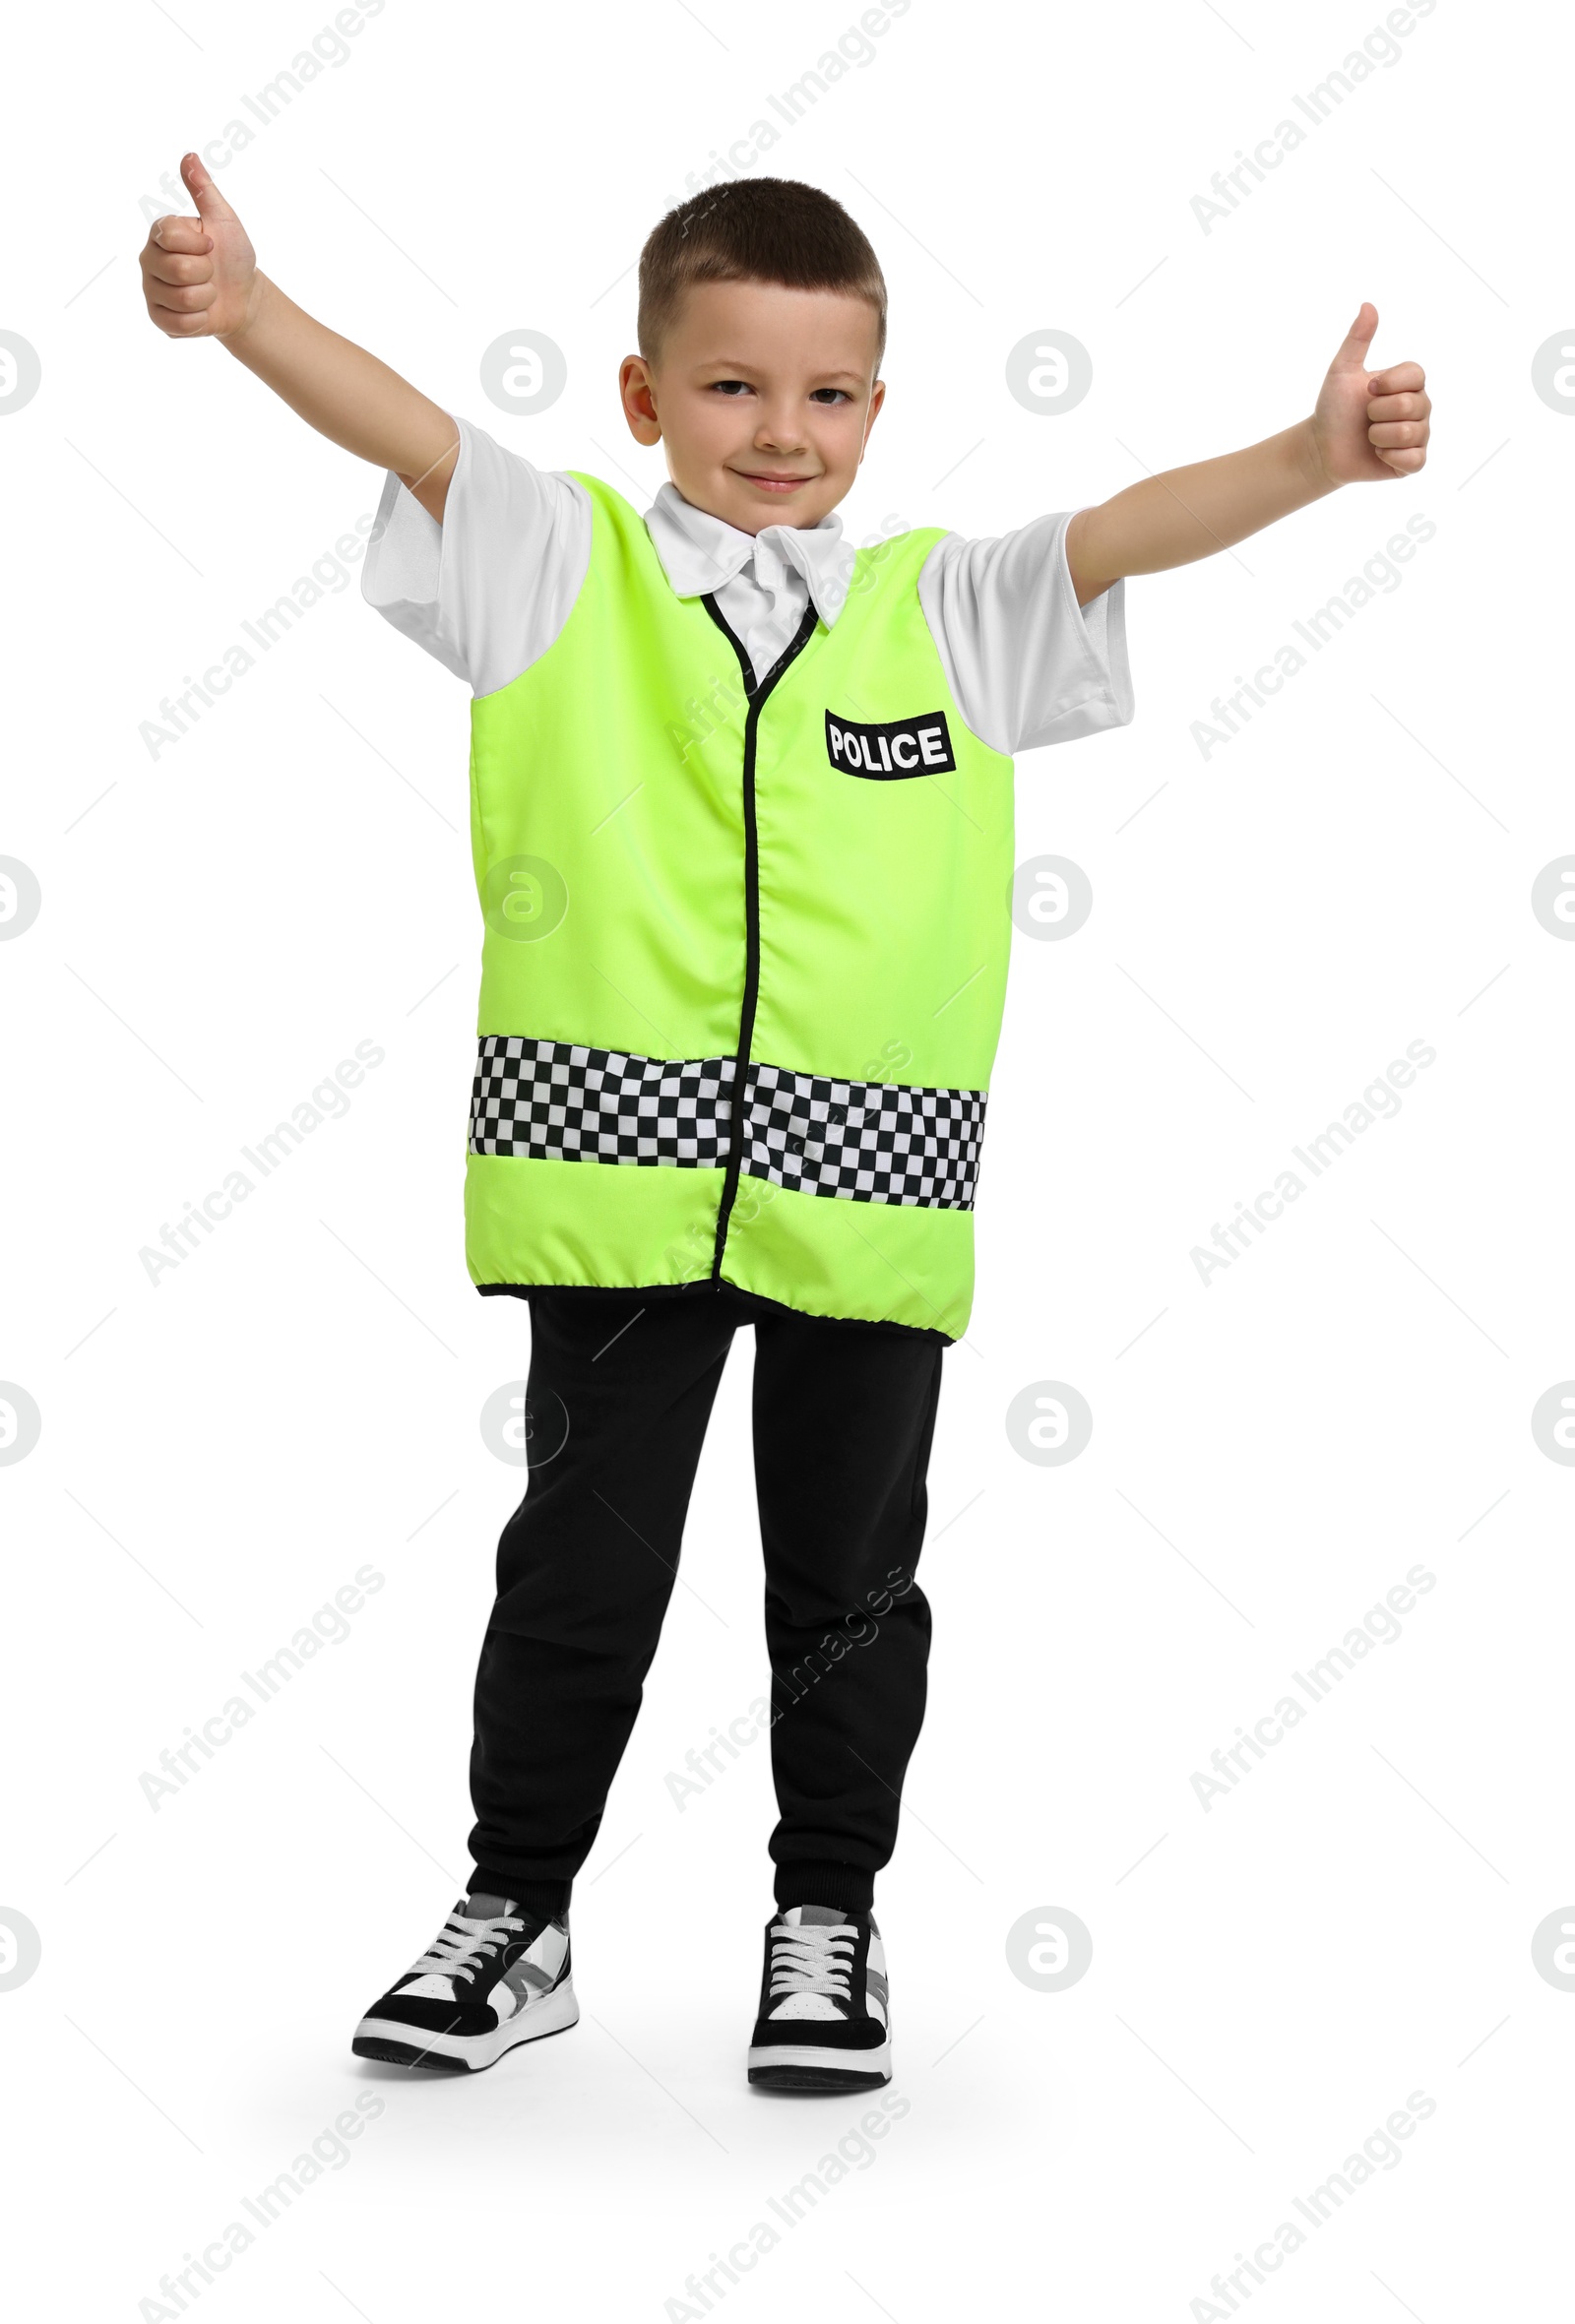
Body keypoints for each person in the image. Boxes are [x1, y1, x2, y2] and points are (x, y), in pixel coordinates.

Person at [139, 160, 1430, 2091]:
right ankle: (519, 1909)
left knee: (844, 1585)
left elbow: (1120, 530)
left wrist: (1306, 460)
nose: (780, 431)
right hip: (612, 1213)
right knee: (578, 1565)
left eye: (826, 395)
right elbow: (411, 429)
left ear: (876, 411)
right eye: (731, 387)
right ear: (646, 398)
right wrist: (245, 312)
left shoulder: (949, 612)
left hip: (865, 1220)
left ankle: (824, 1911)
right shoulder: (557, 566)